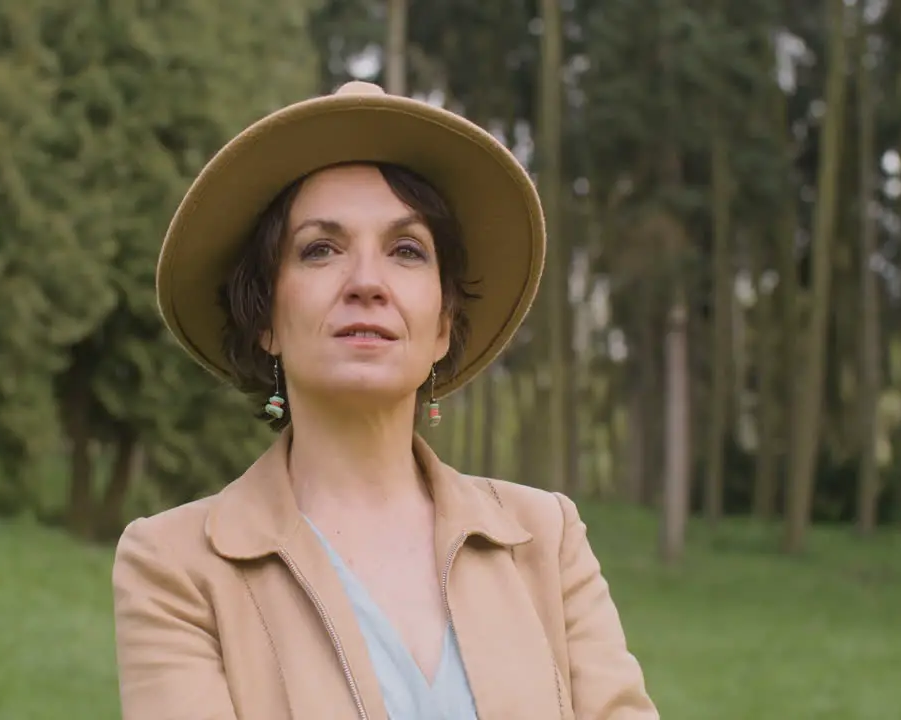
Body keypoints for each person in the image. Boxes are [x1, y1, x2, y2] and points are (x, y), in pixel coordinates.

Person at [112, 80, 658, 720]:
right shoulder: (175, 568)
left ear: (443, 325)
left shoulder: (546, 538)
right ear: (264, 319)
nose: (367, 283)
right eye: (321, 250)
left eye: (406, 251)